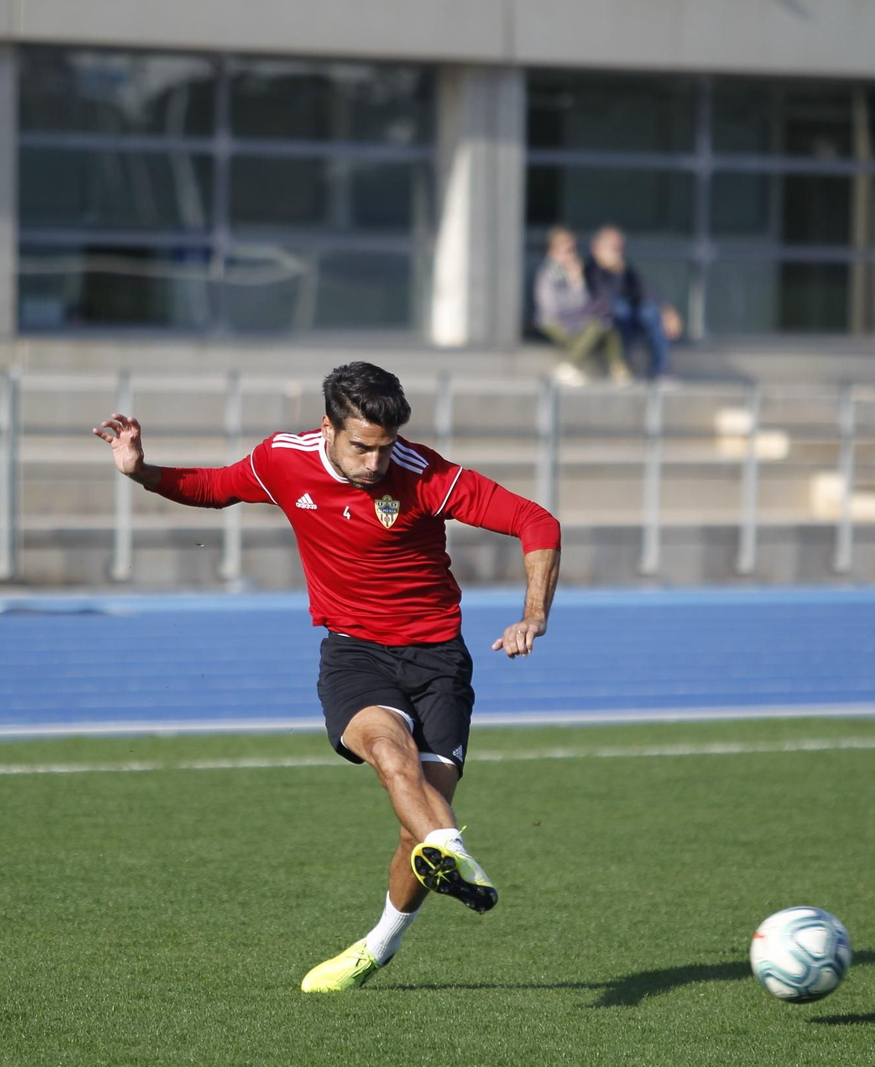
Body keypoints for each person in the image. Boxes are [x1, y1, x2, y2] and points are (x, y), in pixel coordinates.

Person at [93, 362, 562, 992]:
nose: (374, 463)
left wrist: (534, 615)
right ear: (328, 429)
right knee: (392, 758)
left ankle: (380, 943)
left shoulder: (428, 476)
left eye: (385, 447)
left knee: (414, 829)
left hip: (438, 660)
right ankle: (458, 853)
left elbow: (538, 523)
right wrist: (141, 470)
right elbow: (213, 486)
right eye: (361, 446)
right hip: (355, 654)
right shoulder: (284, 460)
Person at [534, 226, 631, 386]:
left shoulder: (576, 271)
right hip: (554, 322)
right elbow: (550, 309)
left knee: (607, 326)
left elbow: (585, 302)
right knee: (596, 326)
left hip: (575, 320)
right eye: (567, 250)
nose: (572, 254)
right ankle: (568, 366)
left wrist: (577, 281)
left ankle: (618, 368)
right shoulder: (547, 273)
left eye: (574, 249)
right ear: (553, 251)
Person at [585, 224, 683, 379]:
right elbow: (606, 298)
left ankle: (660, 369)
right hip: (608, 320)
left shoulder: (623, 268)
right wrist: (616, 272)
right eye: (614, 248)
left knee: (650, 311)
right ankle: (622, 362)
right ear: (597, 248)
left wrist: (666, 308)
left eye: (620, 248)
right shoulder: (591, 269)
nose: (618, 252)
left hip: (631, 316)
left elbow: (644, 288)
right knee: (621, 309)